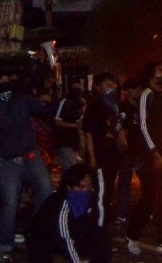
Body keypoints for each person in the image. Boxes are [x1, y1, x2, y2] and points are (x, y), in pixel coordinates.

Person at [0, 73, 53, 262]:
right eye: (2, 80)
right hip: (8, 161)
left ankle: (36, 234)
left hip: (30, 154)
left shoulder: (20, 99)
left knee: (46, 191)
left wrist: (45, 98)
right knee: (10, 203)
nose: (6, 83)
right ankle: (5, 245)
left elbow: (42, 107)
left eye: (7, 80)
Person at [26, 163, 112, 263]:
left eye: (88, 185)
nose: (86, 190)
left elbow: (98, 224)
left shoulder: (92, 198)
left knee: (103, 238)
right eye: (81, 187)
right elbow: (64, 238)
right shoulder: (60, 203)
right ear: (69, 188)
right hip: (48, 236)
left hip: (74, 231)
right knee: (39, 244)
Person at [125, 62, 162, 256]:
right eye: (159, 71)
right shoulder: (146, 95)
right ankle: (134, 235)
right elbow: (143, 126)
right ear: (150, 76)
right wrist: (154, 153)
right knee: (150, 199)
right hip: (152, 156)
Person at [83, 72, 122, 219]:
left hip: (112, 154)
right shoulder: (95, 106)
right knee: (100, 190)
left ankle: (102, 217)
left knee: (109, 187)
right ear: (98, 88)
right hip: (100, 155)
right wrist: (92, 156)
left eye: (112, 84)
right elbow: (89, 133)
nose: (110, 87)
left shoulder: (114, 106)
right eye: (106, 84)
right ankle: (98, 221)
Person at [115, 79, 142, 224]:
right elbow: (119, 127)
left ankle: (144, 211)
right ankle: (122, 213)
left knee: (146, 180)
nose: (137, 91)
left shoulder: (142, 106)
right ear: (127, 91)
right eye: (134, 89)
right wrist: (122, 140)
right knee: (125, 180)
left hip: (141, 148)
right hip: (129, 149)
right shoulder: (123, 107)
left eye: (139, 88)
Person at [53, 83, 86, 170]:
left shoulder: (82, 102)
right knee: (71, 166)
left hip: (74, 140)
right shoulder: (65, 101)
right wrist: (75, 126)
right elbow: (57, 121)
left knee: (72, 167)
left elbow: (81, 119)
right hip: (63, 139)